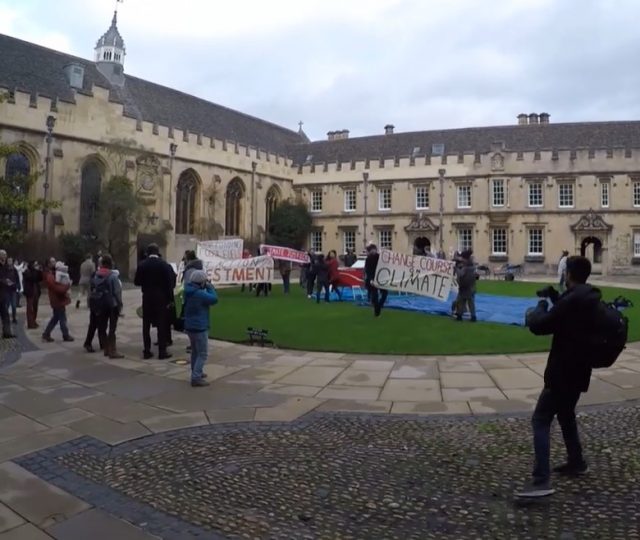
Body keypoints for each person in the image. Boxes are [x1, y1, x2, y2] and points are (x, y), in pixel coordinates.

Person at [516, 256, 599, 499]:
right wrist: (554, 295)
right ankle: (577, 462)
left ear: (569, 274)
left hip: (562, 371)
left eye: (565, 272)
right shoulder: (589, 297)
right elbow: (569, 314)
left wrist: (541, 306)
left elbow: (540, 325)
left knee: (540, 419)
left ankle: (541, 480)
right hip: (580, 370)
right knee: (566, 415)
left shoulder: (572, 301)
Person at [134, 243, 175, 359]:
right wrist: (169, 299)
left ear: (148, 252)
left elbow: (137, 282)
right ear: (157, 252)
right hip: (161, 297)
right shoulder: (164, 265)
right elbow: (169, 284)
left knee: (146, 324)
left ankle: (146, 350)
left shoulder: (142, 265)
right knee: (161, 324)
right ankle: (162, 351)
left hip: (147, 296)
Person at [183, 270, 218, 387]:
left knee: (195, 351)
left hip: (190, 326)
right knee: (203, 354)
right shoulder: (199, 294)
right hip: (199, 326)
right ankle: (196, 377)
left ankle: (196, 371)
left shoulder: (188, 291)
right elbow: (214, 299)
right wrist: (210, 286)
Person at [89, 254, 124, 359]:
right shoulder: (112, 276)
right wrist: (120, 305)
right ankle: (112, 351)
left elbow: (92, 289)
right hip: (112, 304)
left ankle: (106, 349)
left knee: (102, 327)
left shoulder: (95, 275)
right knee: (112, 328)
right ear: (110, 263)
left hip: (99, 303)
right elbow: (117, 292)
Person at [42, 258, 74, 342]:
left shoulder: (53, 273)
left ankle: (46, 333)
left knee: (56, 318)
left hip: (57, 299)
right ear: (48, 264)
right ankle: (65, 335)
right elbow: (57, 289)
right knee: (62, 318)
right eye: (52, 261)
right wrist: (67, 285)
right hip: (57, 300)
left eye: (54, 261)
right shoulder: (50, 275)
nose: (55, 263)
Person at [364, 243, 388, 316]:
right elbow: (368, 270)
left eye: (374, 249)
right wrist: (371, 279)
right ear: (370, 251)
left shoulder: (379, 257)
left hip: (381, 278)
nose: (374, 251)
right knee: (375, 295)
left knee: (385, 293)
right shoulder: (368, 259)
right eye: (372, 250)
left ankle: (379, 306)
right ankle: (377, 311)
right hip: (372, 279)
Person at [454, 250, 477, 322]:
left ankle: (459, 316)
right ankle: (473, 316)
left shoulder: (466, 267)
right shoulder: (471, 265)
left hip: (464, 287)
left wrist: (456, 269)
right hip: (471, 286)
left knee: (460, 301)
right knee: (471, 303)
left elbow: (460, 274)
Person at [22, 260, 43, 329]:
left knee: (35, 308)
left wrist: (39, 271)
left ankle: (33, 320)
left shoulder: (35, 271)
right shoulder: (27, 271)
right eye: (35, 264)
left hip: (36, 291)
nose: (36, 266)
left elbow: (40, 279)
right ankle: (30, 323)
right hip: (30, 292)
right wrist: (35, 271)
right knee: (30, 308)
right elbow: (32, 278)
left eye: (37, 264)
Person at [0, 250, 15, 338]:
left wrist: (8, 281)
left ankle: (7, 333)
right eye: (3, 255)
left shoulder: (5, 266)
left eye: (5, 255)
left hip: (3, 294)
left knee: (5, 314)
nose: (5, 257)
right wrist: (5, 281)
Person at [5, 257, 20, 324]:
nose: (10, 262)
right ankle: (6, 318)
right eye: (8, 261)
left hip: (13, 289)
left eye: (11, 261)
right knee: (7, 305)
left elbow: (17, 279)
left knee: (14, 305)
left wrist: (17, 286)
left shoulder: (14, 270)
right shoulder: (5, 270)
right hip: (7, 290)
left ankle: (14, 318)